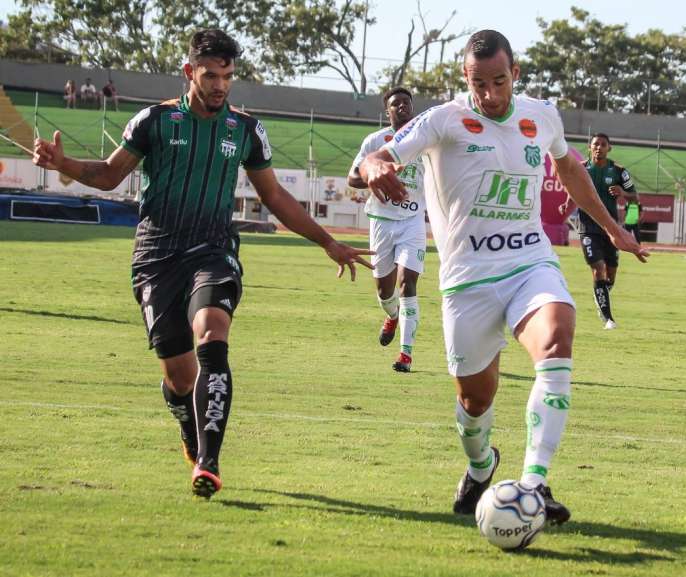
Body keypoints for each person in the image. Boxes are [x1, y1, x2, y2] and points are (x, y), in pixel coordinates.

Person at [32, 29, 372, 499]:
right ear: (190, 72)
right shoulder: (153, 122)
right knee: (178, 375)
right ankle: (191, 435)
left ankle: (209, 463)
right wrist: (64, 163)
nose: (220, 85)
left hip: (214, 250)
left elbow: (273, 196)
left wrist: (327, 241)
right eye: (210, 75)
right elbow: (110, 176)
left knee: (212, 334)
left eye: (227, 76)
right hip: (155, 258)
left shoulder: (245, 130)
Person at [360, 30, 648, 526]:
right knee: (475, 401)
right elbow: (379, 158)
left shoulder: (541, 115)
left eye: (499, 81)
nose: (489, 94)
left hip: (529, 264)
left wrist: (612, 227)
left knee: (557, 335)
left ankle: (533, 485)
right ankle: (480, 467)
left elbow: (571, 167)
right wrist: (370, 167)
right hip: (467, 282)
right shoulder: (443, 120)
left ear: (515, 74)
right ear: (464, 78)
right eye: (479, 84)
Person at [347, 87, 426, 372]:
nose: (402, 107)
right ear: (387, 111)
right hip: (381, 221)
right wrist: (376, 175)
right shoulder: (375, 141)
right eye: (396, 104)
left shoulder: (424, 139)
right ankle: (391, 315)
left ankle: (405, 355)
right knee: (384, 291)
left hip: (413, 222)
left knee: (409, 283)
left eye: (407, 102)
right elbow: (352, 178)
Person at [557, 133, 640, 329]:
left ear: (609, 148)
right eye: (596, 144)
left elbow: (635, 197)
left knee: (610, 273)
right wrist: (566, 203)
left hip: (611, 228)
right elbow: (572, 189)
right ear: (589, 147)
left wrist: (623, 193)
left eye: (603, 145)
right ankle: (608, 318)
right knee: (599, 268)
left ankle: (599, 293)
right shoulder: (581, 169)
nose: (599, 147)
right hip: (588, 227)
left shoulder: (620, 172)